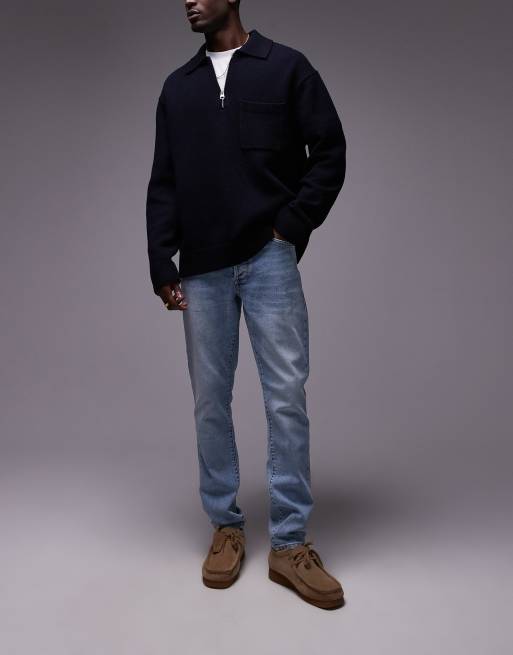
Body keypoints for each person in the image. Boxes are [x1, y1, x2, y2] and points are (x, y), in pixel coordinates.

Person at [146, 0, 346, 610]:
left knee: (286, 395)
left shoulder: (286, 67)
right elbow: (164, 181)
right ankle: (226, 527)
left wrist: (290, 227)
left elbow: (330, 151)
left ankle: (290, 543)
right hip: (201, 266)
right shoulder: (177, 88)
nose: (188, 1)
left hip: (268, 259)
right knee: (210, 399)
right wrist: (161, 261)